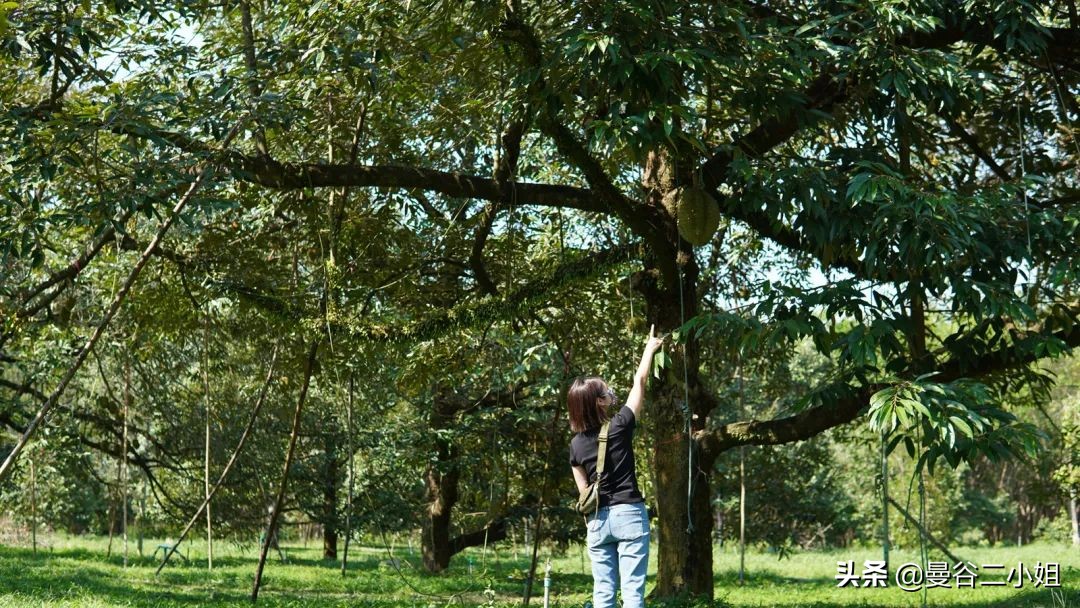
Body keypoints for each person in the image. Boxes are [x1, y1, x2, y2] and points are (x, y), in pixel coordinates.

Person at [568, 325, 665, 608]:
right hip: (629, 515)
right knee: (633, 594)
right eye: (608, 392)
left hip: (597, 521)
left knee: (603, 594)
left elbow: (584, 492)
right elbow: (640, 382)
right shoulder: (620, 425)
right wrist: (649, 349)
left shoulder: (575, 445)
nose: (612, 394)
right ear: (599, 402)